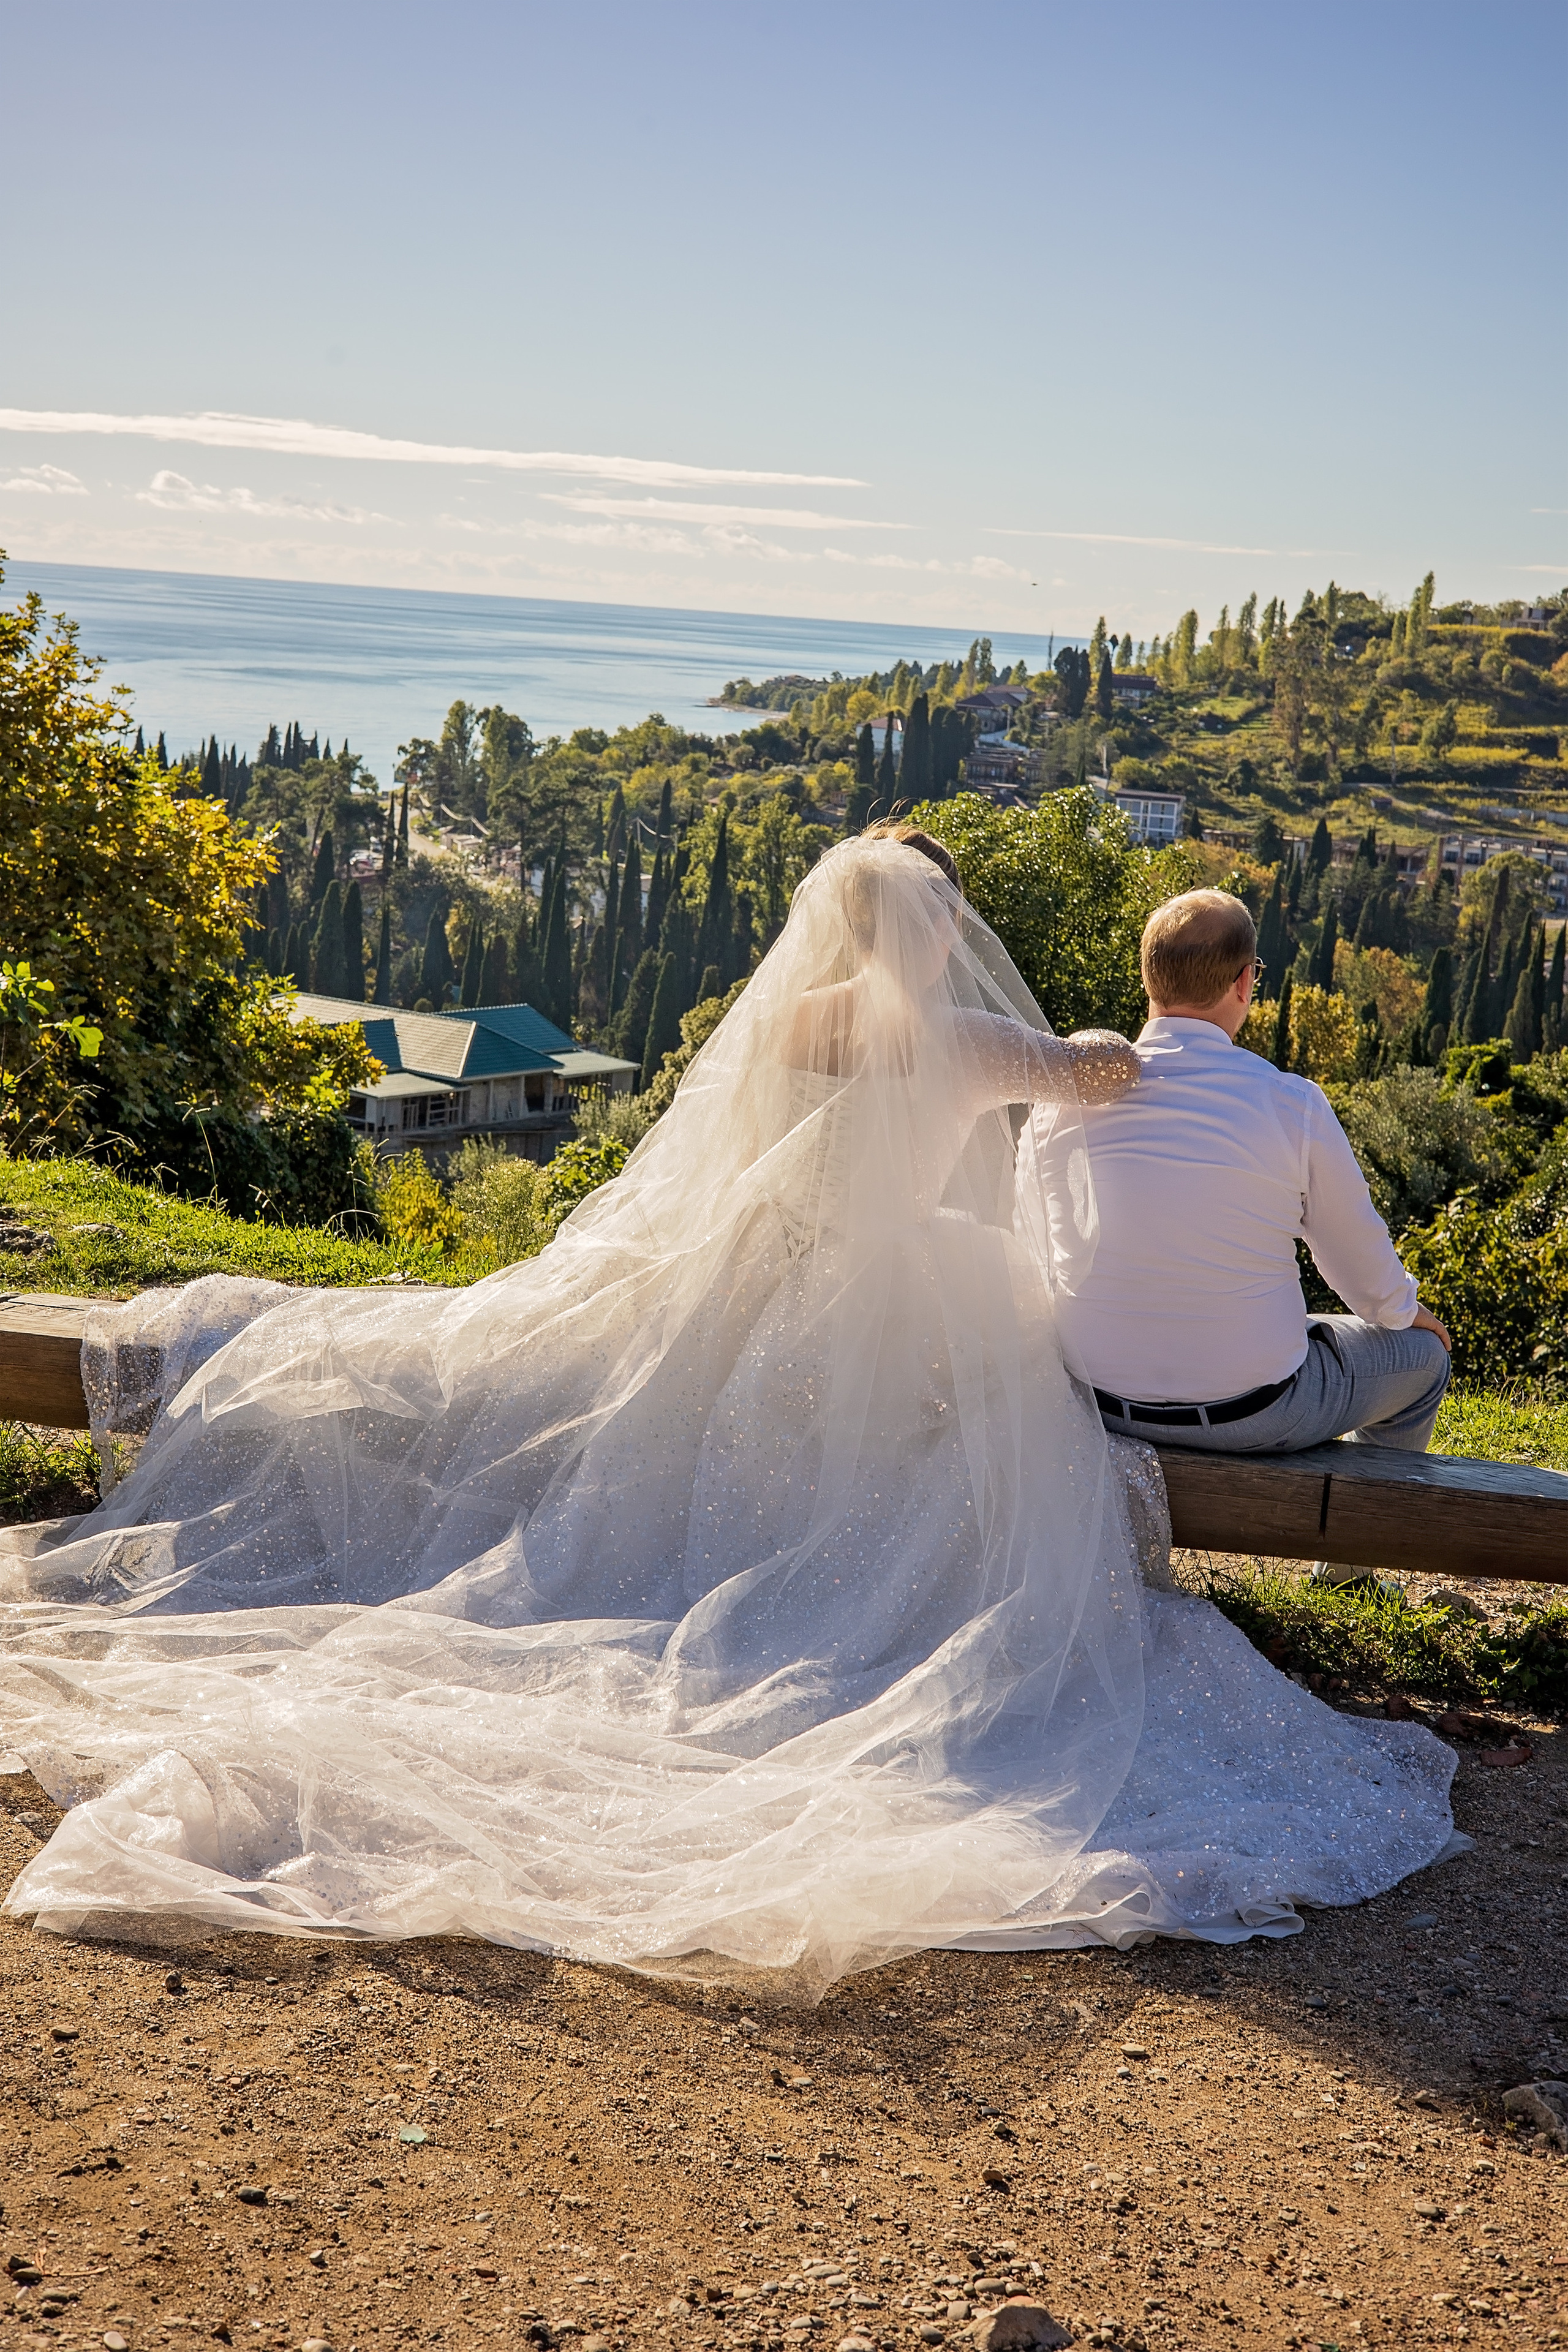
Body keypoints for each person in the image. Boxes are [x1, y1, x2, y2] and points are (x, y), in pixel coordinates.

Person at [0, 833, 1460, 1985]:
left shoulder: (797, 1028)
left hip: (759, 1287)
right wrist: (1149, 1068)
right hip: (898, 1298)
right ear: (938, 934)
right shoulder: (960, 1036)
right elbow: (1095, 1074)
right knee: (971, 1414)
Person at [1047, 888, 1452, 1459]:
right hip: (1256, 1413)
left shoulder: (1065, 1097)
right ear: (1243, 983)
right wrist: (1405, 1313)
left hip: (1098, 1401)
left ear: (1148, 979)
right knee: (1426, 1361)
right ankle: (1360, 1544)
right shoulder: (1292, 1104)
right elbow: (1356, 1260)